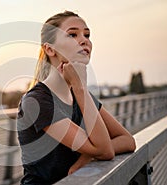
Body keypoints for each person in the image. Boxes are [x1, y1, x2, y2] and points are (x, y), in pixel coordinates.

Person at [16, 11, 136, 185]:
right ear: (49, 49)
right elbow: (105, 150)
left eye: (87, 35)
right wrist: (81, 88)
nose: (84, 40)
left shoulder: (81, 97)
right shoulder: (38, 102)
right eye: (72, 34)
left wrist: (86, 156)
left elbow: (128, 141)